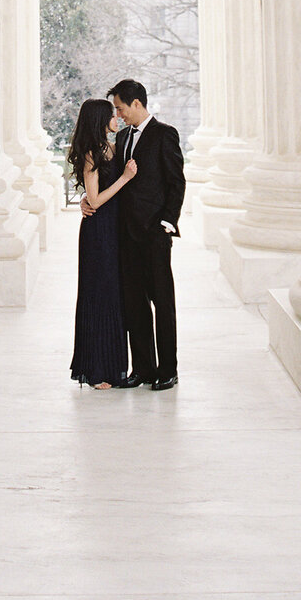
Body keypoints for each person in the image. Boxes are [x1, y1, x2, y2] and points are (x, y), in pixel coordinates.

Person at [101, 78, 186, 391]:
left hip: (154, 234)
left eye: (121, 108)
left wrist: (167, 222)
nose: (119, 114)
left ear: (136, 103)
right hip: (127, 236)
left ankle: (168, 370)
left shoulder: (165, 134)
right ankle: (144, 369)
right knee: (134, 303)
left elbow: (177, 182)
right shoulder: (122, 138)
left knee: (163, 303)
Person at [67, 98, 137, 389]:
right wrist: (125, 178)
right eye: (112, 114)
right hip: (98, 232)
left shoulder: (115, 145)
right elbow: (95, 199)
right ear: (100, 120)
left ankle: (115, 367)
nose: (117, 117)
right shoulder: (90, 153)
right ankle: (96, 371)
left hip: (115, 228)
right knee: (99, 295)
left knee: (115, 296)